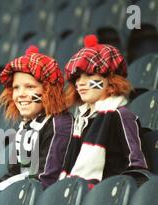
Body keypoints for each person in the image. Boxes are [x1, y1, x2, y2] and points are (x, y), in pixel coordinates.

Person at [60, 34, 148, 187]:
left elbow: (136, 169)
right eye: (77, 78)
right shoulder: (81, 120)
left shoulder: (121, 115)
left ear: (111, 79)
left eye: (89, 75)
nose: (80, 83)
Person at [0, 45, 73, 190]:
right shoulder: (25, 126)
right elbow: (14, 172)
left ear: (49, 91)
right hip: (23, 193)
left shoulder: (60, 124)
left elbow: (46, 178)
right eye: (16, 87)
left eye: (30, 87)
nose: (20, 94)